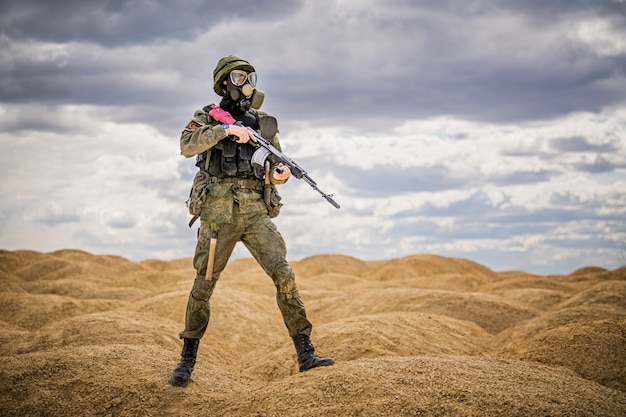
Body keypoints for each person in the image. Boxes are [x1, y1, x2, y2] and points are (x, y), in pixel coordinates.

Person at [169, 55, 334, 387]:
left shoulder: (264, 124)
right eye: (241, 77)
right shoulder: (206, 118)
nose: (247, 85)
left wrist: (281, 173)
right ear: (225, 82)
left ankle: (306, 354)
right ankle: (186, 360)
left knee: (284, 274)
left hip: (256, 210)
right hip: (219, 210)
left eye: (252, 78)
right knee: (204, 285)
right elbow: (186, 145)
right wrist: (227, 130)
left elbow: (276, 163)